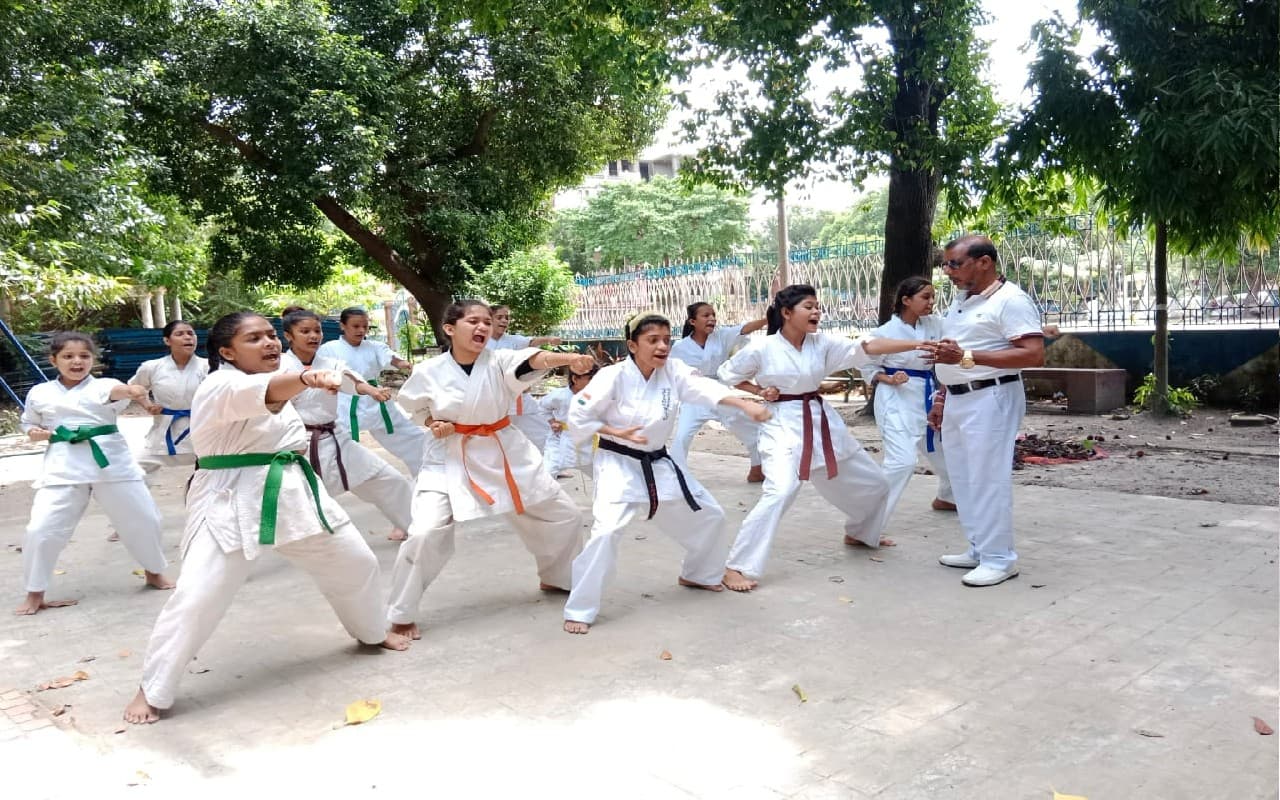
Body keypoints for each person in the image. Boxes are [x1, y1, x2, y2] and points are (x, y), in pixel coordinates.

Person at [123, 312, 410, 724]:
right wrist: (310, 381)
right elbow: (270, 392)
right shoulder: (221, 384)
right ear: (226, 352)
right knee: (199, 594)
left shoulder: (282, 372)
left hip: (292, 489)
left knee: (355, 562)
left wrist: (316, 378)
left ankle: (372, 630)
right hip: (229, 496)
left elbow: (285, 389)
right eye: (254, 338)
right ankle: (151, 690)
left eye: (271, 335)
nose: (270, 343)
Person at [386, 300, 592, 640]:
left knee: (564, 515)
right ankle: (401, 614)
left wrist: (568, 359)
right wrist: (433, 422)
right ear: (450, 328)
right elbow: (415, 408)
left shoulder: (499, 360)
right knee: (424, 532)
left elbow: (533, 361)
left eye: (486, 322)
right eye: (473, 321)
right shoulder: (429, 371)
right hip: (448, 455)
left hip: (502, 449)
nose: (482, 327)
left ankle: (558, 576)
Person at [563, 311, 771, 634]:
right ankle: (580, 608)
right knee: (605, 532)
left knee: (710, 515)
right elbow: (577, 413)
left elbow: (703, 387)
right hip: (617, 463)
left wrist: (744, 405)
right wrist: (615, 431)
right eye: (652, 340)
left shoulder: (672, 370)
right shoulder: (612, 376)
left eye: (666, 339)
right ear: (632, 345)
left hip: (658, 462)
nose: (662, 346)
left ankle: (699, 574)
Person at [717, 285, 930, 592]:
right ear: (787, 313)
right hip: (781, 424)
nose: (817, 312)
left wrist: (916, 343)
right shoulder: (762, 348)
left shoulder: (823, 343)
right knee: (781, 490)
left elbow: (867, 346)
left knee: (876, 484)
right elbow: (728, 374)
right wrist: (759, 391)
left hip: (821, 422)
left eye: (818, 306)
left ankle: (860, 531)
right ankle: (737, 565)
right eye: (809, 306)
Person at [17, 333, 174, 615]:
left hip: (111, 462)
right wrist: (33, 433)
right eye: (68, 356)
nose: (77, 361)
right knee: (40, 529)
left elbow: (117, 393)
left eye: (84, 356)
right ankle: (35, 592)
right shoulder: (40, 392)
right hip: (63, 466)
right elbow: (28, 422)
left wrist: (134, 391)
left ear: (93, 360)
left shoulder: (106, 385)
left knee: (144, 519)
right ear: (54, 360)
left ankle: (153, 571)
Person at [925, 235, 1045, 587]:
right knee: (962, 476)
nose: (948, 272)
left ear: (984, 262)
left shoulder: (1011, 300)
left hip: (991, 398)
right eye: (945, 264)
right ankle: (979, 548)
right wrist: (942, 397)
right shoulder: (963, 300)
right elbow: (954, 353)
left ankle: (999, 559)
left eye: (955, 264)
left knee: (987, 478)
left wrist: (966, 358)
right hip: (959, 398)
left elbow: (1033, 354)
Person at [281, 307, 415, 542]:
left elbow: (350, 379)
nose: (314, 336)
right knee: (295, 503)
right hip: (299, 445)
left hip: (336, 439)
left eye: (317, 330)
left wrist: (371, 390)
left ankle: (417, 529)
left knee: (388, 480)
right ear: (288, 336)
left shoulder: (329, 362)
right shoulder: (280, 367)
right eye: (305, 331)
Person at [860, 277, 956, 525]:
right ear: (906, 300)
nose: (931, 302)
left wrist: (941, 399)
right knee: (902, 461)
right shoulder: (884, 333)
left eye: (933, 296)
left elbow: (964, 336)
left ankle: (949, 496)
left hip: (927, 394)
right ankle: (865, 525)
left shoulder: (936, 324)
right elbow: (868, 367)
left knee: (948, 455)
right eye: (925, 297)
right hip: (895, 397)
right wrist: (888, 378)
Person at [316, 307, 427, 473]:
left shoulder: (375, 346)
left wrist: (403, 365)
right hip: (345, 401)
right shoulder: (329, 349)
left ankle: (425, 474)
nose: (361, 330)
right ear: (342, 326)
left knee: (412, 438)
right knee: (337, 446)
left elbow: (391, 357)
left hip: (377, 399)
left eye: (365, 326)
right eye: (356, 326)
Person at [669, 303, 768, 483]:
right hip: (694, 395)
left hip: (720, 393)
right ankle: (675, 477)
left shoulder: (722, 336)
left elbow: (745, 328)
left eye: (713, 315)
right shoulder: (679, 347)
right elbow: (671, 373)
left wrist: (768, 319)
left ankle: (757, 468)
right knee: (682, 436)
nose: (712, 319)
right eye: (706, 316)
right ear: (692, 321)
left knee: (750, 427)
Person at [128, 320, 209, 472]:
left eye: (191, 333)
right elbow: (134, 389)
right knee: (135, 471)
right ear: (167, 340)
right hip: (164, 432)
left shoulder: (210, 367)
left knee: (213, 477)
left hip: (202, 434)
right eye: (180, 334)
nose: (187, 337)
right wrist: (148, 406)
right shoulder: (152, 367)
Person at [486, 305, 563, 452]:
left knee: (540, 429)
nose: (504, 321)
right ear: (489, 319)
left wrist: (549, 339)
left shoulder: (514, 340)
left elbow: (532, 341)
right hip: (490, 398)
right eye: (500, 317)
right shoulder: (480, 342)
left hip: (518, 397)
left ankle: (552, 464)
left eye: (507, 317)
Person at [541, 365, 597, 478]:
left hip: (585, 438)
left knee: (587, 467)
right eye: (590, 378)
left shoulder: (592, 395)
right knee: (550, 469)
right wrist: (552, 422)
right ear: (575, 379)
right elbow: (542, 407)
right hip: (561, 437)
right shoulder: (559, 395)